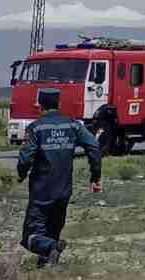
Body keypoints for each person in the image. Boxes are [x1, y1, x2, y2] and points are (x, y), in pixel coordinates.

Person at [15, 88, 101, 268]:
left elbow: (25, 158)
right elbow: (94, 146)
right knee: (52, 230)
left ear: (40, 105)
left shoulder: (36, 128)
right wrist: (95, 176)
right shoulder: (73, 125)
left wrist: (21, 174)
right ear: (59, 104)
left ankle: (52, 248)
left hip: (42, 191)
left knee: (30, 236)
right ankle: (46, 265)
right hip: (64, 190)